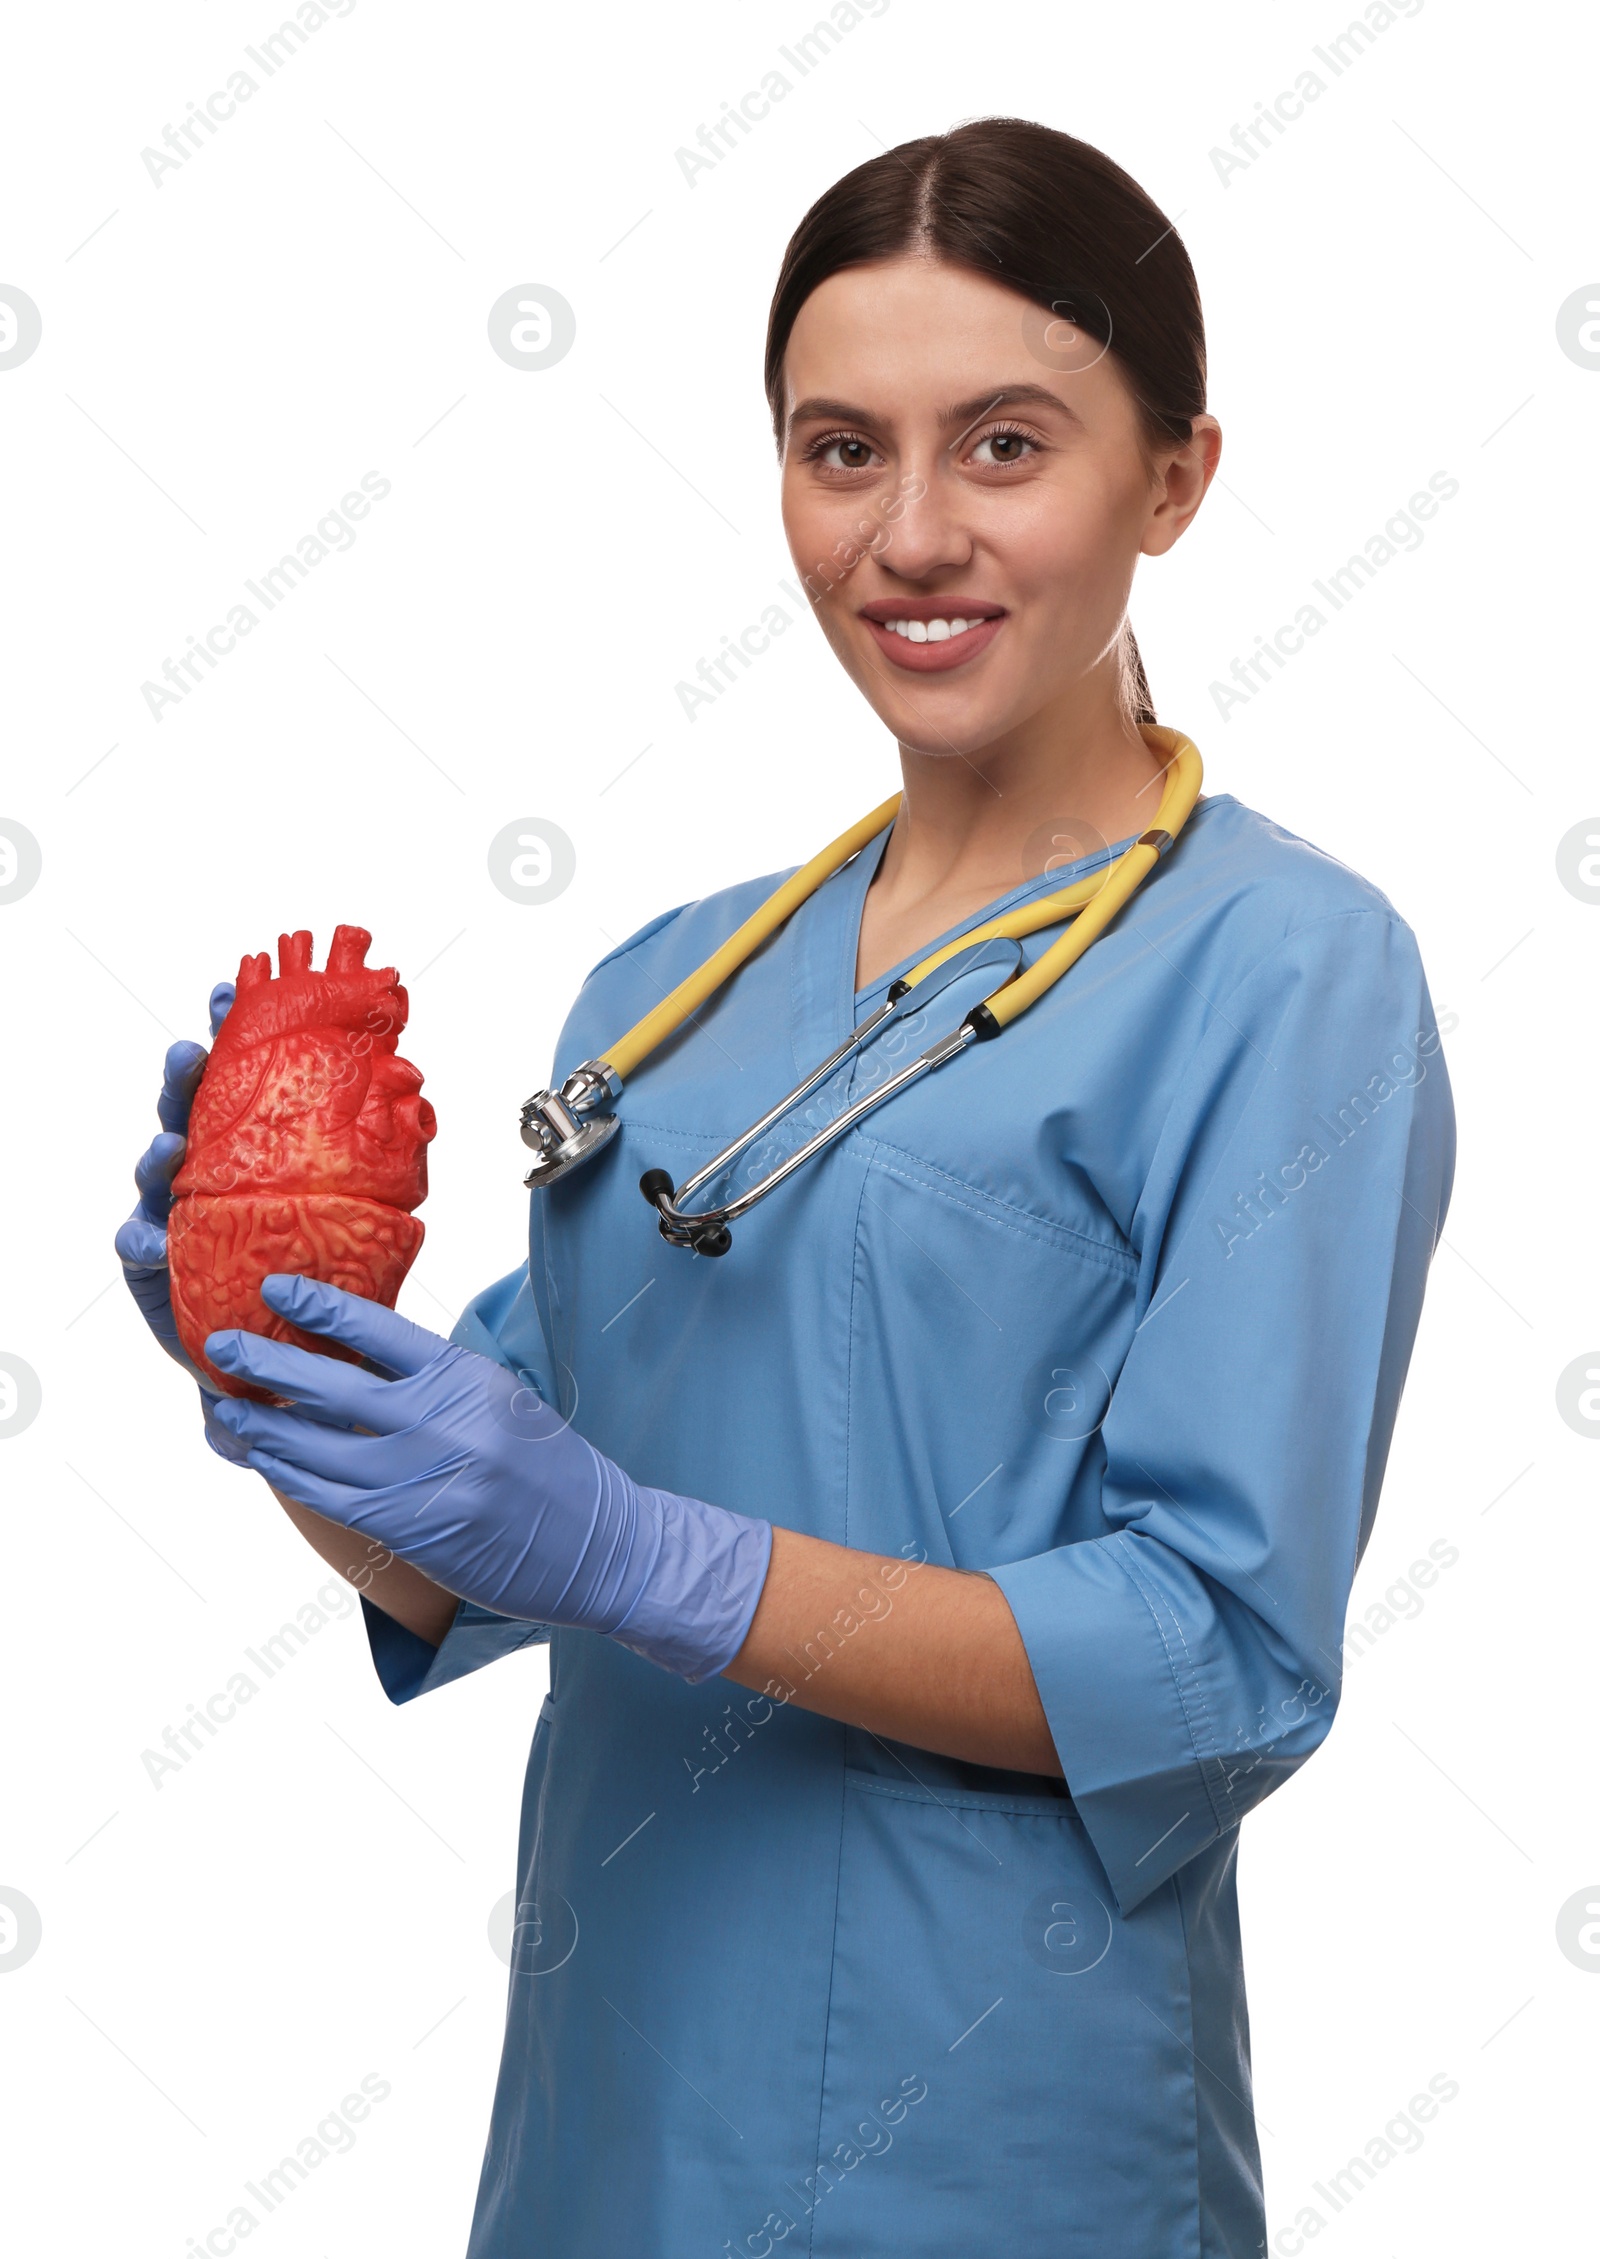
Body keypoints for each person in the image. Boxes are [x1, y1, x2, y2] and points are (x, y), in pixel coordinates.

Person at [118, 118, 1455, 2259]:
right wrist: (253, 1339)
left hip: (986, 2141)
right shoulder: (667, 991)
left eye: (1001, 445)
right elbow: (452, 1564)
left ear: (1175, 478)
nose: (910, 535)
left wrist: (636, 1543)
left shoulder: (1281, 969)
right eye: (841, 451)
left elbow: (1209, 1649)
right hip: (600, 2126)